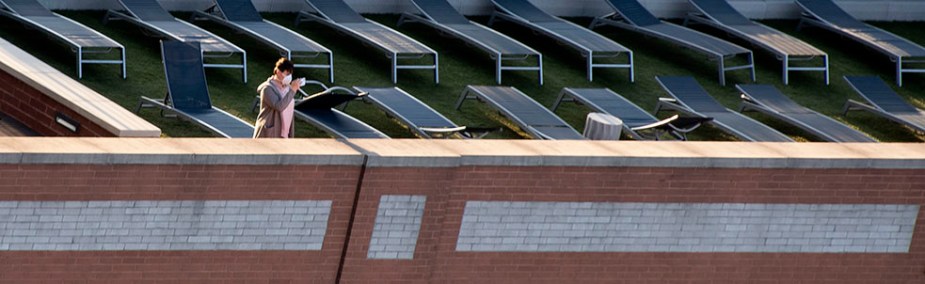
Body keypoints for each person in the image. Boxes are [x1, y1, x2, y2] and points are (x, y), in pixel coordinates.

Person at [254, 58, 302, 138]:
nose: (288, 77)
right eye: (286, 74)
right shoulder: (267, 89)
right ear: (278, 72)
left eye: (290, 74)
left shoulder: (287, 88)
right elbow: (279, 106)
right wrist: (293, 90)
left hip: (285, 133)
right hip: (270, 132)